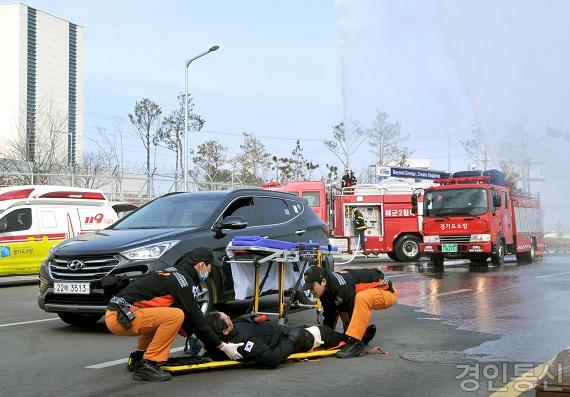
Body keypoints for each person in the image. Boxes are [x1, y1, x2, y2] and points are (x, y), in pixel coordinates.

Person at [105, 247, 244, 381]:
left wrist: (194, 335)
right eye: (210, 267)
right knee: (175, 316)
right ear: (201, 265)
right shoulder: (184, 282)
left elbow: (189, 317)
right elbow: (196, 318)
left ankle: (138, 358)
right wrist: (222, 346)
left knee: (164, 315)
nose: (211, 271)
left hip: (119, 314)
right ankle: (149, 364)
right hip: (121, 318)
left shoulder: (176, 273)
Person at [205, 311, 375, 367]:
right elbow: (271, 359)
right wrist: (292, 341)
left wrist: (251, 318)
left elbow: (238, 321)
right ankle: (357, 340)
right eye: (227, 319)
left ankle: (355, 336)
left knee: (312, 327)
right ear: (225, 331)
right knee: (324, 332)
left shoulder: (225, 330)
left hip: (283, 330)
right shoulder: (245, 344)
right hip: (289, 339)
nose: (229, 317)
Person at [301, 265, 397, 359]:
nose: (311, 291)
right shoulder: (326, 290)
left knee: (360, 298)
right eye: (309, 289)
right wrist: (325, 337)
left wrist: (353, 338)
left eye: (312, 287)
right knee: (340, 304)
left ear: (323, 282)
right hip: (360, 292)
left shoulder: (341, 288)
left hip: (387, 290)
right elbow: (330, 315)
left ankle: (357, 344)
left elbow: (353, 310)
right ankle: (362, 336)